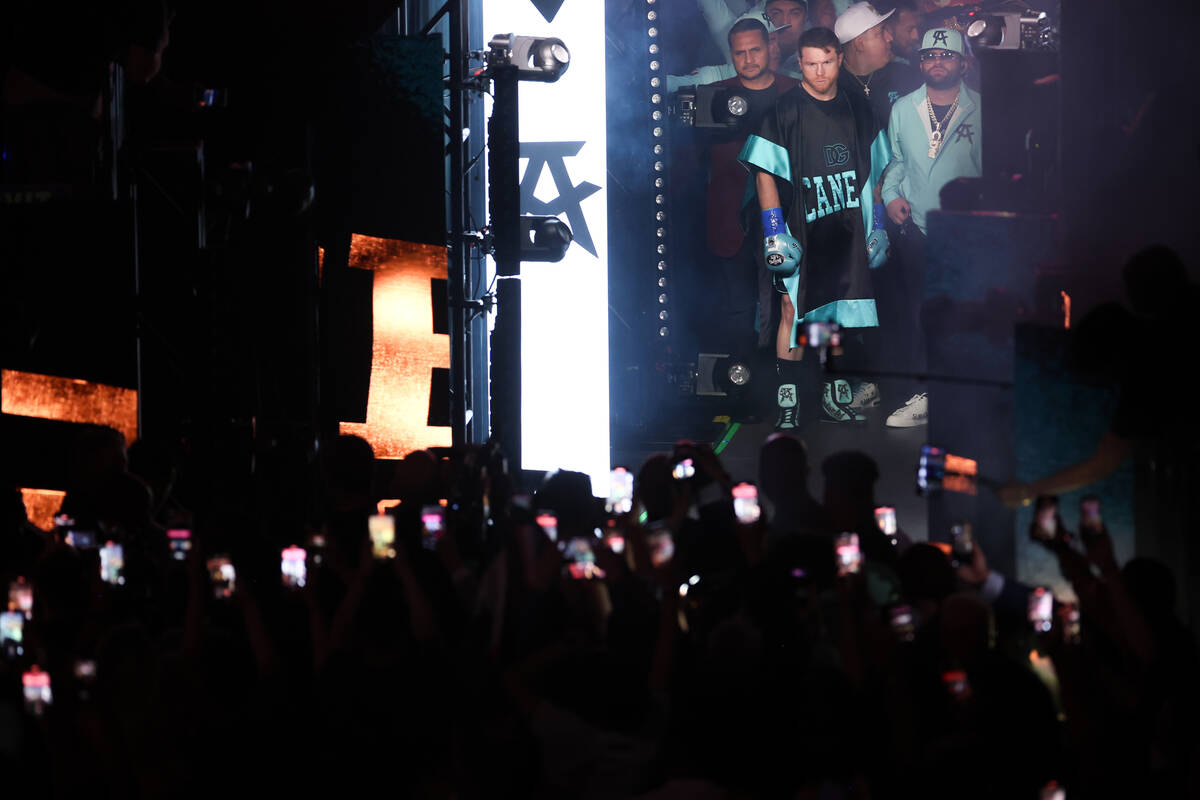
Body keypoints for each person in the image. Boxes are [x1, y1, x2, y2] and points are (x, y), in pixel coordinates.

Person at [738, 25, 892, 428]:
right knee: (790, 308)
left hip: (843, 225)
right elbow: (764, 174)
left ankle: (831, 393)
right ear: (799, 63)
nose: (819, 72)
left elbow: (875, 171)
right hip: (797, 227)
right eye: (810, 64)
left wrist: (878, 224)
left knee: (831, 312)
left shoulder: (858, 108)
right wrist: (774, 230)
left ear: (839, 59)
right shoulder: (783, 111)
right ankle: (788, 400)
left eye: (826, 62)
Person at [878, 27, 981, 427]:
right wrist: (890, 195)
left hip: (966, 235)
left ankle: (965, 396)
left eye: (946, 55)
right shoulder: (904, 108)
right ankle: (925, 395)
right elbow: (896, 161)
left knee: (966, 315)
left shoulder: (983, 108)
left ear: (964, 63)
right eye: (928, 55)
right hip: (917, 230)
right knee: (919, 315)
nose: (936, 61)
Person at [705, 17, 801, 353]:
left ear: (770, 48)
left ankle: (787, 385)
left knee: (789, 305)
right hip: (731, 221)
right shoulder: (716, 97)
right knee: (738, 310)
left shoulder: (795, 92)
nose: (748, 59)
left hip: (787, 220)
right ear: (731, 54)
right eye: (740, 52)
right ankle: (740, 387)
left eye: (755, 50)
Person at [834, 2, 923, 135]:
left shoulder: (906, 76)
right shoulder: (833, 88)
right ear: (860, 44)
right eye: (881, 32)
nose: (890, 38)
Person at [668, 10, 799, 92]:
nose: (775, 48)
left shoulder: (795, 82)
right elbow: (665, 85)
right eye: (768, 41)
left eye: (775, 39)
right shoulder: (712, 78)